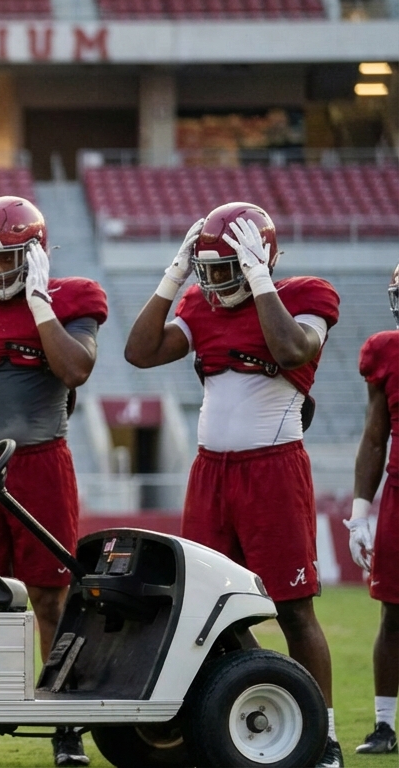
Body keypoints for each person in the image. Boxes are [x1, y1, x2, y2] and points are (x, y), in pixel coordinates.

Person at [123, 202, 342, 768]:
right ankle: (239, 710)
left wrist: (261, 281)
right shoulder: (199, 303)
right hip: (210, 474)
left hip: (273, 469)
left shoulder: (305, 296)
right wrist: (173, 276)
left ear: (258, 262)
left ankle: (324, 734)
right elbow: (139, 352)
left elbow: (295, 349)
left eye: (227, 271)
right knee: (205, 609)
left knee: (294, 609)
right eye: (206, 272)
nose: (214, 285)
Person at [0, 196, 106, 767]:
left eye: (11, 259)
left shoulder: (69, 298)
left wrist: (38, 303)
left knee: (53, 598)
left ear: (34, 255)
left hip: (42, 462)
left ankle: (65, 723)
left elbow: (75, 368)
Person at [347, 262, 399, 757]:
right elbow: (374, 436)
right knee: (394, 615)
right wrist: (361, 512)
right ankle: (384, 726)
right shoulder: (388, 351)